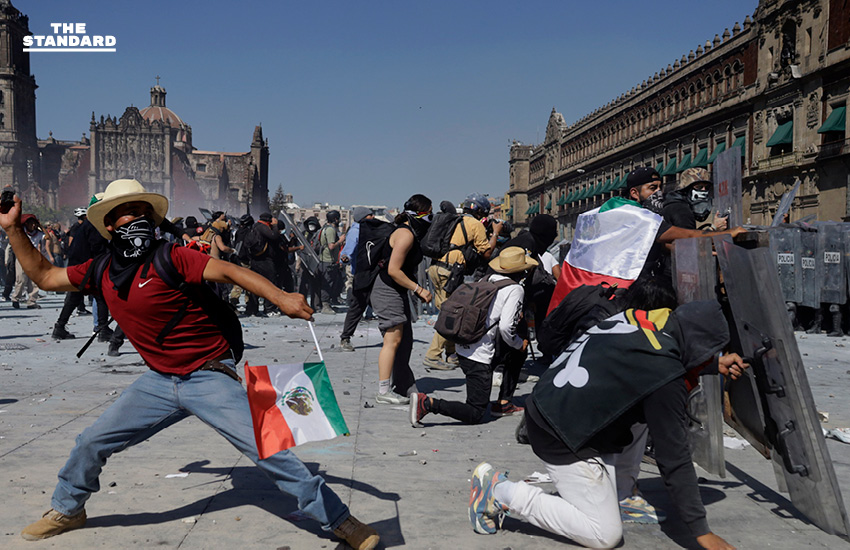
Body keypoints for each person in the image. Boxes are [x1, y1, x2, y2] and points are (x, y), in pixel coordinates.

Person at [0, 180, 379, 550]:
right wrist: (14, 229)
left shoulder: (171, 256)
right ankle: (68, 509)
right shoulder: (100, 270)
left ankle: (340, 520)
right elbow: (45, 276)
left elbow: (229, 271)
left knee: (267, 449)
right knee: (91, 442)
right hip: (159, 381)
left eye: (142, 212)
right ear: (110, 225)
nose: (137, 219)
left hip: (208, 373)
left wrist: (281, 298)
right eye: (127, 213)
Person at [468, 300, 747, 550]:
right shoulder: (665, 376)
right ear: (697, 345)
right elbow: (674, 456)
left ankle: (621, 496)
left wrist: (711, 363)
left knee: (645, 410)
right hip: (559, 434)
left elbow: (664, 360)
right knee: (604, 534)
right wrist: (701, 532)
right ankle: (498, 491)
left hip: (550, 402)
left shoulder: (641, 321)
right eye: (709, 351)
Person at [409, 246, 534, 427]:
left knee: (515, 353)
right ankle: (428, 404)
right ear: (522, 272)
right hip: (479, 356)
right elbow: (507, 328)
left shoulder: (487, 279)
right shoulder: (515, 289)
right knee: (476, 412)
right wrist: (518, 344)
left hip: (463, 348)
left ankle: (503, 403)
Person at [424, 193, 502, 370]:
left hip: (436, 268)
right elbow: (487, 253)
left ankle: (452, 354)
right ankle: (432, 355)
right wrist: (495, 233)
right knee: (451, 314)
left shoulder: (455, 220)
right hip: (450, 271)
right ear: (480, 211)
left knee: (447, 310)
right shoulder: (474, 224)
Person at [372, 194, 433, 404]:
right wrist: (419, 289)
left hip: (395, 290)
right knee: (393, 340)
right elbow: (393, 270)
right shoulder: (405, 235)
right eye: (428, 213)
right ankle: (383, 391)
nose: (431, 218)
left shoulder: (408, 232)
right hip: (387, 290)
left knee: (404, 341)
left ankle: (402, 384)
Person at [339, 206, 375, 352]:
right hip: (362, 274)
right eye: (370, 215)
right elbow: (348, 251)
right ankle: (345, 338)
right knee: (357, 306)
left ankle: (393, 338)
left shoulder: (369, 229)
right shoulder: (356, 231)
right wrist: (345, 258)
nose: (373, 217)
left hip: (373, 273)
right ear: (363, 218)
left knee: (384, 306)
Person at [663, 168, 728, 231]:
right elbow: (689, 237)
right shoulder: (680, 209)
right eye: (699, 187)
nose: (704, 190)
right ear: (687, 190)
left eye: (707, 187)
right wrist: (714, 228)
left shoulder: (675, 204)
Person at [11, 213, 52, 309]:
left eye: (34, 224)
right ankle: (16, 298)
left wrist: (40, 226)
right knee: (21, 279)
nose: (33, 225)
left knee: (34, 281)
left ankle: (32, 301)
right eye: (31, 224)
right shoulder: (22, 231)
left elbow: (47, 237)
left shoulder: (39, 234)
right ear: (27, 224)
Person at [245, 213, 282, 317]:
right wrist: (275, 226)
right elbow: (274, 236)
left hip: (255, 259)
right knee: (270, 283)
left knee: (255, 284)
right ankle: (269, 308)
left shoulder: (255, 226)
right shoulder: (263, 227)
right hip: (264, 260)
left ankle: (252, 308)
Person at [318, 210, 345, 314]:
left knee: (331, 283)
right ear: (335, 219)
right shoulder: (330, 230)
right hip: (328, 261)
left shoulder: (325, 228)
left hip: (327, 260)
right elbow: (331, 246)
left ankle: (328, 304)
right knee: (327, 283)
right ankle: (325, 306)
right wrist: (340, 240)